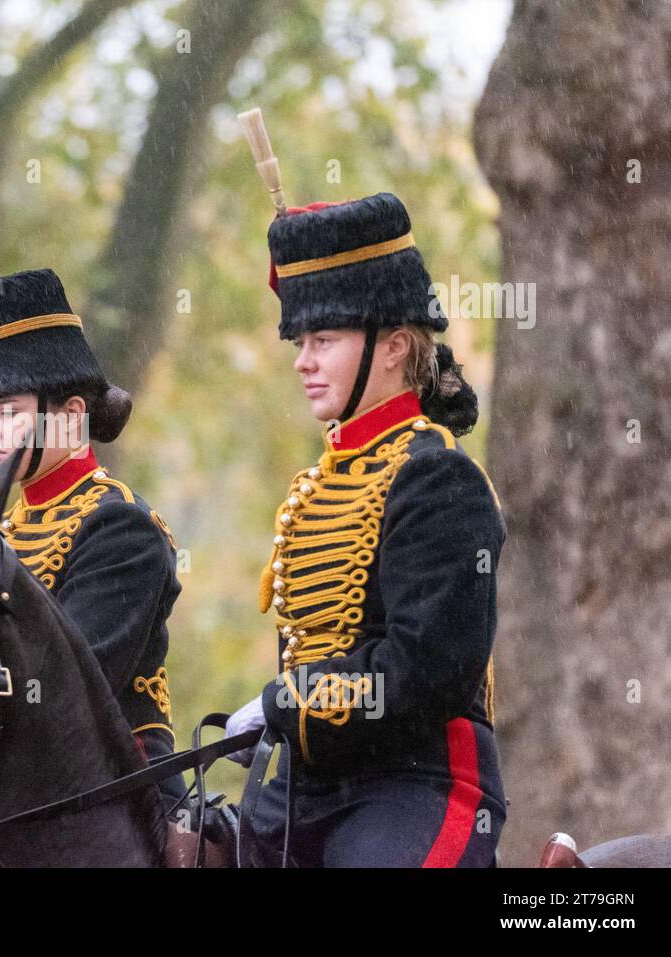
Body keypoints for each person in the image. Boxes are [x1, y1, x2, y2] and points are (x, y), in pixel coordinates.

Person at [224, 192, 507, 866]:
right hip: (301, 787)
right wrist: (282, 716)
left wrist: (287, 702)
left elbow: (423, 671)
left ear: (394, 347)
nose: (303, 359)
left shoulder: (439, 478)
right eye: (301, 341)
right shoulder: (316, 484)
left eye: (323, 339)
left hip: (415, 787)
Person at [0, 267, 188, 809]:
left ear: (71, 416)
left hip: (112, 790)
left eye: (8, 412)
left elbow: (70, 687)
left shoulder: (120, 527)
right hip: (0, 785)